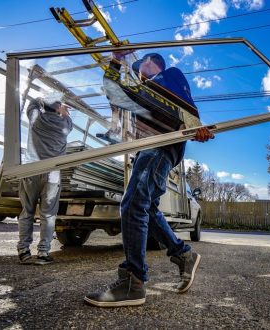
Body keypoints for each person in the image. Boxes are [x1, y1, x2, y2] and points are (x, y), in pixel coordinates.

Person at [84, 52, 214, 307]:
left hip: (162, 146)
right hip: (148, 149)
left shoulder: (168, 77)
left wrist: (196, 126)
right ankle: (182, 254)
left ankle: (133, 281)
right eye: (137, 66)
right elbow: (112, 89)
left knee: (132, 205)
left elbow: (185, 102)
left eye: (143, 63)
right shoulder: (139, 93)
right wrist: (115, 61)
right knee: (147, 208)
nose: (140, 69)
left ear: (155, 63)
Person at [17, 97, 72, 265]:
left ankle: (23, 251)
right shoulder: (65, 125)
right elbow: (68, 118)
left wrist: (44, 100)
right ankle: (43, 253)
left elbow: (33, 103)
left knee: (27, 212)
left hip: (31, 170)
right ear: (58, 110)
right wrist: (63, 110)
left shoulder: (36, 118)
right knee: (48, 215)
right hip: (52, 174)